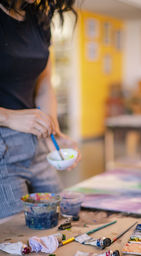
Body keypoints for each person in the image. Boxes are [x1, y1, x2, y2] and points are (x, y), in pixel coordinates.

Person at [0, 0, 80, 219]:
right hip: (2, 150)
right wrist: (8, 117)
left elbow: (44, 85)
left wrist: (52, 132)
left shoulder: (38, 19)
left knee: (61, 218)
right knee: (16, 235)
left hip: (35, 143)